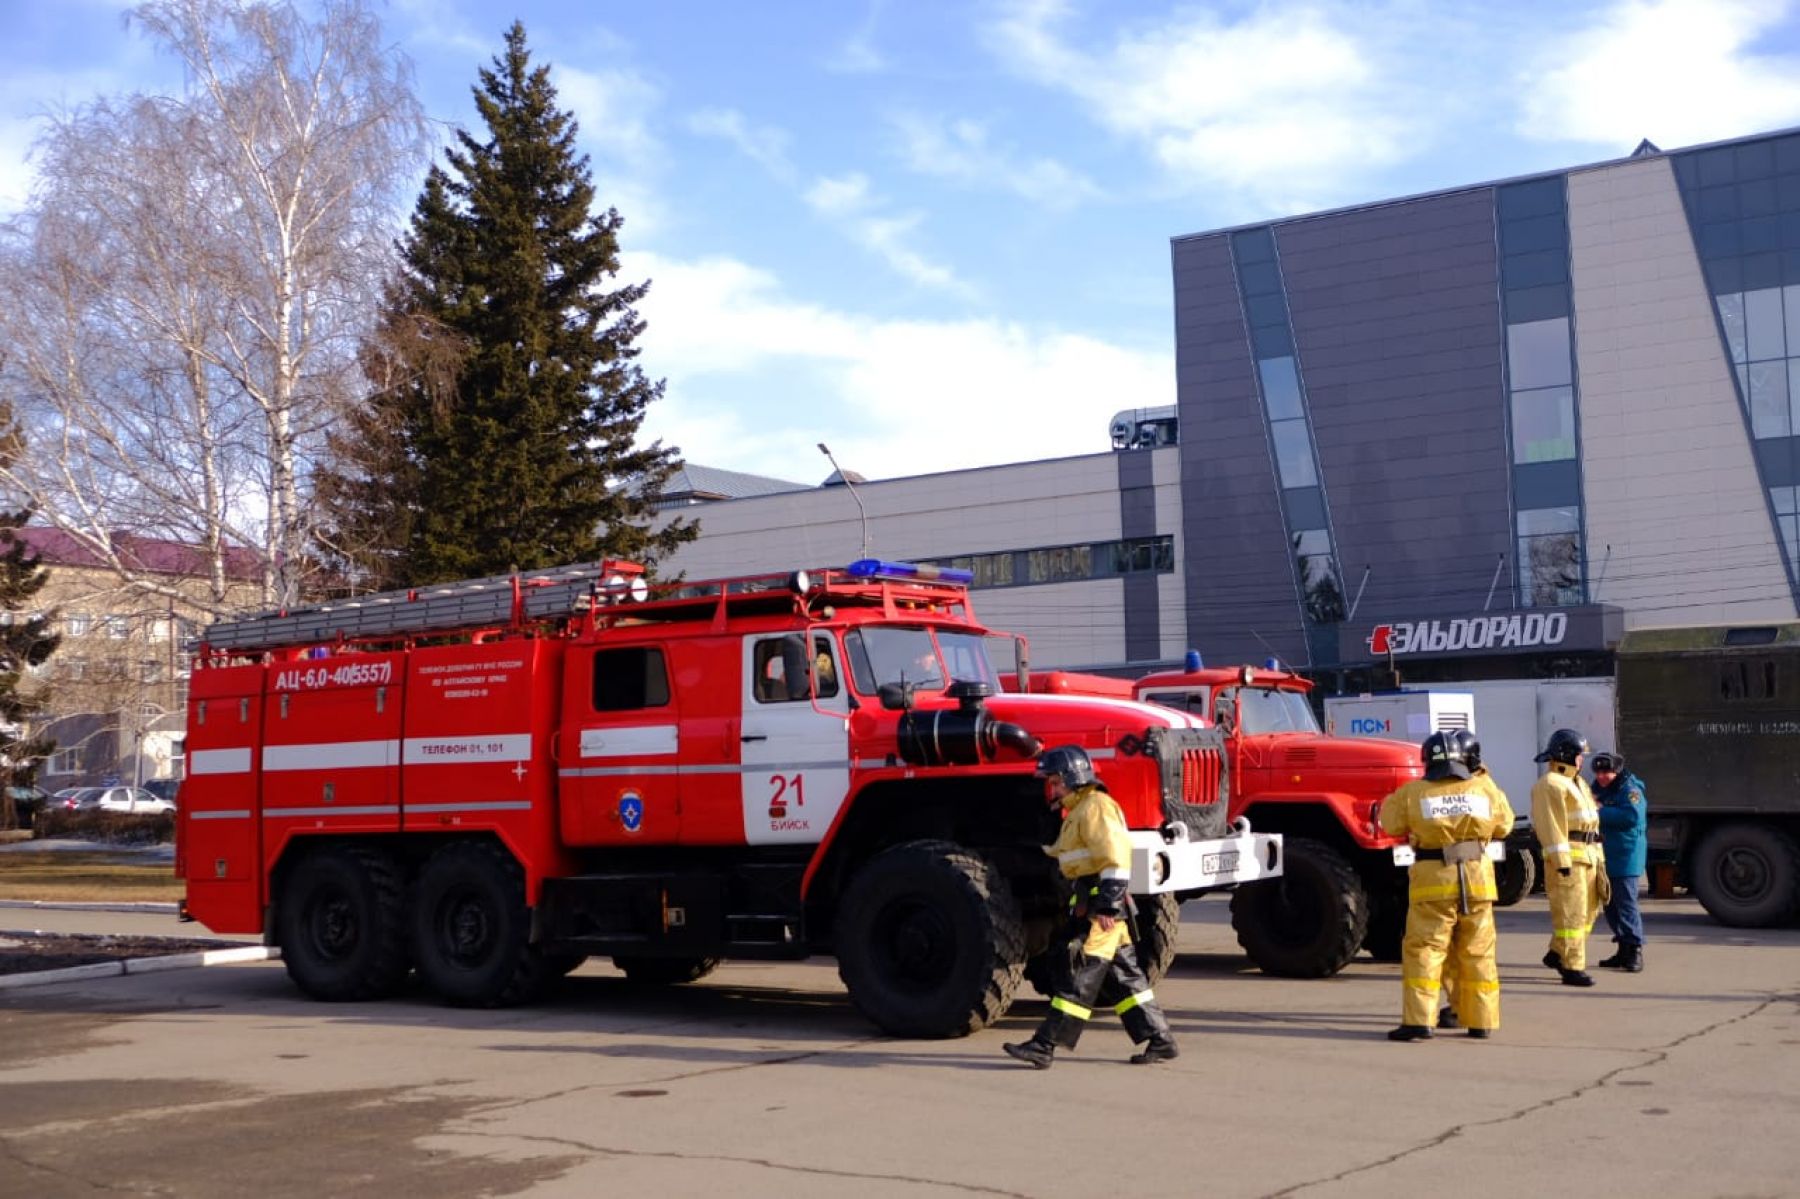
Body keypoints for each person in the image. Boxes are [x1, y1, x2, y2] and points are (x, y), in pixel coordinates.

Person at [1003, 745, 1178, 1068]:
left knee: (1080, 978)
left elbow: (1115, 858)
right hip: (1099, 906)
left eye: (1056, 782)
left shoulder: (1095, 807)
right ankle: (1160, 1039)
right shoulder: (1080, 810)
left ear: (1073, 777)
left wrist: (1107, 906)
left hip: (1103, 912)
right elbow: (1067, 854)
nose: (1052, 789)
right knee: (1126, 979)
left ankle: (1044, 1045)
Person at [1378, 730, 1515, 1041]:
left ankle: (1419, 1022)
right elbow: (1505, 825)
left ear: (1426, 762)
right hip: (1477, 880)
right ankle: (1482, 1022)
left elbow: (1390, 824)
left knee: (1425, 950)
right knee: (1478, 951)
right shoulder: (1483, 789)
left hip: (1433, 883)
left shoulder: (1413, 792)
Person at [1531, 728, 1608, 987]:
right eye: (1579, 755)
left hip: (1589, 858)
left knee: (1589, 913)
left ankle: (1556, 952)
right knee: (1571, 916)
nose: (1581, 760)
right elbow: (1551, 827)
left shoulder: (1577, 782)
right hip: (1570, 863)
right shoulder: (1550, 785)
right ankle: (1572, 967)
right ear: (1566, 755)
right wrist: (1561, 862)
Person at [1591, 751, 1647, 972]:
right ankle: (1622, 949)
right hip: (1605, 854)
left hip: (1626, 855)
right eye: (1599, 772)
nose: (1602, 776)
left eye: (1607, 772)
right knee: (1610, 904)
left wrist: (1601, 812)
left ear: (1618, 771)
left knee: (1626, 904)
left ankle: (1635, 949)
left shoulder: (1631, 790)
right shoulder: (1596, 787)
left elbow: (1632, 816)